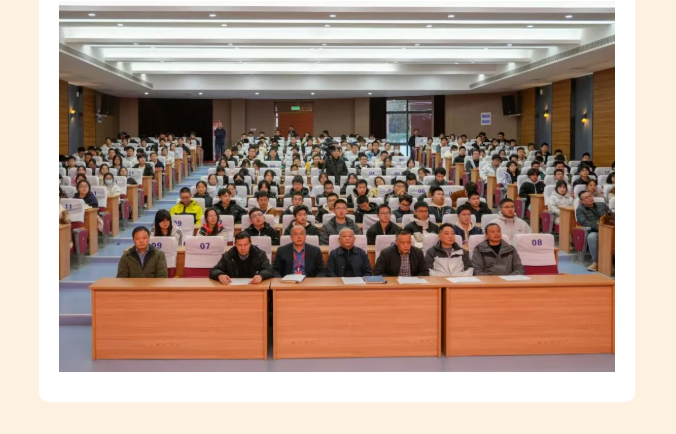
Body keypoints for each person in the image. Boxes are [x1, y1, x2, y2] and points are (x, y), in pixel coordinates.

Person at [209, 232, 273, 284]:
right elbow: (214, 271)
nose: (243, 248)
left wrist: (261, 276)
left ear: (250, 243)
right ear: (235, 244)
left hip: (254, 287)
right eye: (239, 245)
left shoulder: (260, 255)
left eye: (246, 244)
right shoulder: (228, 256)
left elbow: (269, 270)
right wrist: (219, 275)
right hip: (234, 289)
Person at [576, 190, 609, 271]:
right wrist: (600, 228)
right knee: (591, 237)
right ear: (582, 201)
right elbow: (585, 223)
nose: (590, 198)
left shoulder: (602, 205)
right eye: (586, 198)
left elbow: (611, 216)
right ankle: (595, 262)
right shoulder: (580, 210)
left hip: (608, 228)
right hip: (595, 230)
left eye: (590, 196)